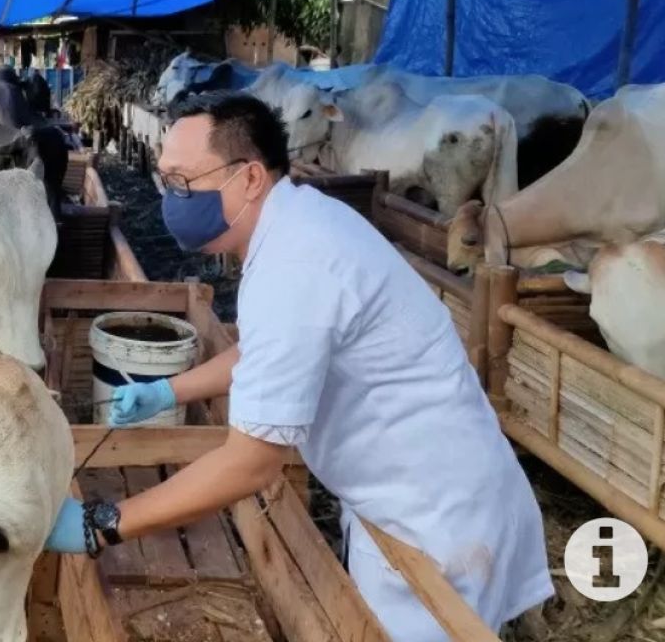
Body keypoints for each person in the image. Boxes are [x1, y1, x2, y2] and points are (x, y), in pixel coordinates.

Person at [45, 92, 553, 640]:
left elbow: (252, 463)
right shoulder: (299, 225)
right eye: (167, 182)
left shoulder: (297, 262)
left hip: (438, 520)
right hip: (414, 491)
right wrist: (170, 391)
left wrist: (105, 524)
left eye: (183, 182)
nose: (172, 198)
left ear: (250, 179)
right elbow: (266, 350)